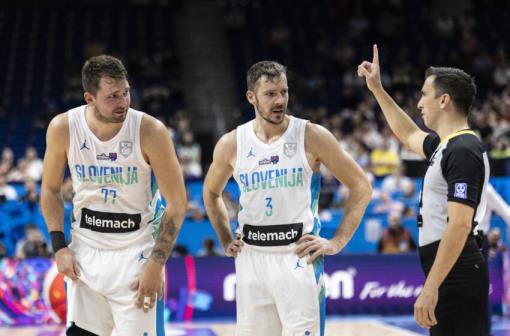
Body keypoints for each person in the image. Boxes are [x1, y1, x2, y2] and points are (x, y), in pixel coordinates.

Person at [203, 61, 372, 336]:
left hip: (298, 258)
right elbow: (211, 193)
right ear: (251, 97)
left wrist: (337, 242)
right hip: (251, 259)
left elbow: (361, 186)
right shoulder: (232, 143)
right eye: (270, 93)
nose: (280, 100)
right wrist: (224, 238)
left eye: (284, 92)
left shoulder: (312, 136)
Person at [41, 55, 187, 336]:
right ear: (89, 98)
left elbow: (178, 204)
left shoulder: (150, 131)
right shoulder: (63, 127)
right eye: (112, 96)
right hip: (85, 252)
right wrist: (59, 246)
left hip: (136, 255)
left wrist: (156, 263)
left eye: (126, 92)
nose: (123, 102)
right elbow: (49, 190)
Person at [358, 45, 490, 336]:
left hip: (457, 271)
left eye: (423, 94)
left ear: (444, 100)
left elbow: (458, 224)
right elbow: (407, 134)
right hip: (448, 270)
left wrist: (431, 288)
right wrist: (377, 89)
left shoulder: (464, 149)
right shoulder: (447, 146)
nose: (418, 103)